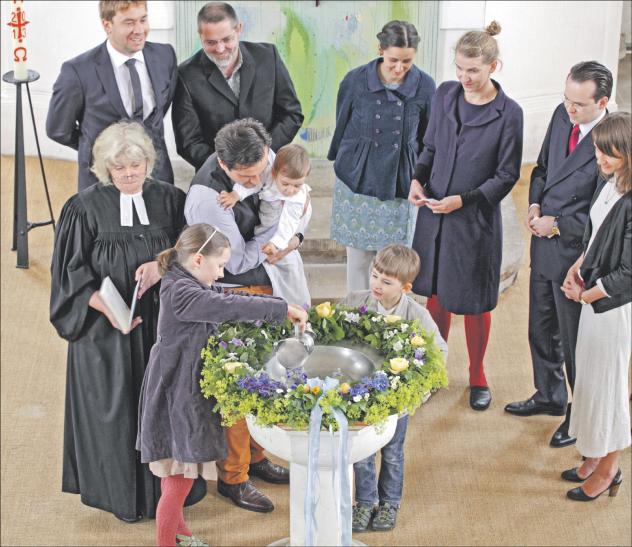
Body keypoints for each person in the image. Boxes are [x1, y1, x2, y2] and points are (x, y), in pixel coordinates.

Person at [49, 121, 206, 522]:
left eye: (135, 165)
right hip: (106, 333)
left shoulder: (171, 200)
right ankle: (123, 498)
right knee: (116, 410)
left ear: (148, 162)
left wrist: (161, 264)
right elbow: (69, 274)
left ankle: (167, 494)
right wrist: (104, 305)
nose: (129, 174)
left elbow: (197, 252)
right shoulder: (83, 208)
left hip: (162, 326)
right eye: (119, 168)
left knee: (165, 405)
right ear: (105, 168)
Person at [136, 223, 308, 546]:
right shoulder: (182, 293)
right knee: (179, 479)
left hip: (178, 386)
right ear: (199, 260)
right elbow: (228, 307)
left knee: (180, 473)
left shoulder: (185, 279)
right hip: (175, 394)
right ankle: (165, 542)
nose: (221, 273)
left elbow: (226, 296)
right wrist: (281, 309)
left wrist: (278, 308)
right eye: (220, 265)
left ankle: (181, 535)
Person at [185, 118, 301, 513]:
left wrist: (291, 229)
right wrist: (277, 233)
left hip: (264, 284)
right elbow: (235, 262)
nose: (256, 181)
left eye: (261, 171)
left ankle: (257, 457)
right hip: (233, 292)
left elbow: (293, 197)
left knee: (267, 375)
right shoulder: (206, 199)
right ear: (224, 164)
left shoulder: (263, 160)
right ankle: (233, 477)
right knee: (237, 386)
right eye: (246, 177)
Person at [409, 22, 523, 411]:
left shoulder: (510, 114)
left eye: (473, 70)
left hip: (474, 219)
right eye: (459, 68)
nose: (464, 78)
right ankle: (434, 369)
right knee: (436, 296)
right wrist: (416, 179)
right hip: (434, 214)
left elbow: (507, 175)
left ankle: (477, 375)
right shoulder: (444, 95)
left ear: (494, 66)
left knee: (474, 301)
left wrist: (465, 200)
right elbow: (429, 145)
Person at [504, 61, 612, 448]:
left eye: (579, 105)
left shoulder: (612, 141)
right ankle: (549, 396)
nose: (569, 109)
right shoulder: (560, 114)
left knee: (572, 340)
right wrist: (533, 207)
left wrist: (559, 224)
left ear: (602, 102)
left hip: (578, 256)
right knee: (540, 327)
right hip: (544, 239)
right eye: (566, 99)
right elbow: (544, 169)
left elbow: (608, 213)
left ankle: (579, 415)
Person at [340, 244, 447, 532]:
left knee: (393, 452)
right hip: (360, 396)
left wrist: (417, 394)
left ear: (406, 286)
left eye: (386, 282)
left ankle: (389, 503)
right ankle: (364, 502)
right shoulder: (354, 301)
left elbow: (439, 352)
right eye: (375, 276)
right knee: (362, 452)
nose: (376, 285)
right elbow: (332, 337)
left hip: (396, 399)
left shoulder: (417, 314)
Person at [328, 20, 436, 291]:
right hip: (358, 177)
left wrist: (423, 177)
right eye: (393, 60)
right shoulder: (355, 80)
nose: (399, 68)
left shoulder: (425, 86)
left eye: (407, 62)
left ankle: (388, 322)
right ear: (380, 50)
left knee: (393, 261)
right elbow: (342, 122)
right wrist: (340, 159)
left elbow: (428, 138)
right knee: (358, 260)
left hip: (401, 180)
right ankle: (356, 317)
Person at [559, 111, 631, 501]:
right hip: (593, 299)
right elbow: (596, 235)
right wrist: (577, 267)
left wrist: (585, 294)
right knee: (587, 380)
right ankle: (593, 452)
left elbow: (628, 274)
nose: (601, 160)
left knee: (609, 387)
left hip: (614, 309)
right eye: (599, 151)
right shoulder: (611, 184)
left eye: (611, 154)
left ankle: (609, 468)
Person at [46, 0, 177, 191]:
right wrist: (100, 150)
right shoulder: (77, 71)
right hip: (103, 180)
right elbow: (57, 129)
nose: (139, 30)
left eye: (143, 19)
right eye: (129, 23)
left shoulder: (165, 55)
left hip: (158, 175)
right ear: (107, 25)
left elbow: (161, 107)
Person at [172, 1, 303, 171]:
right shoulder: (186, 75)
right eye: (211, 42)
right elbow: (188, 142)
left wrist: (263, 155)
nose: (220, 49)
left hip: (268, 168)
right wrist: (228, 168)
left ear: (239, 29)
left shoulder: (268, 57)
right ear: (200, 35)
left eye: (227, 39)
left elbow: (291, 114)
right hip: (217, 175)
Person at [218, 143, 312, 308]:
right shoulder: (268, 173)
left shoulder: (297, 198)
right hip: (264, 224)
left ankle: (299, 307)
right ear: (275, 173)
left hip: (280, 231)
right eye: (286, 184)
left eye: (297, 185)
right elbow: (253, 184)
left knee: (288, 270)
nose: (290, 190)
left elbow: (288, 224)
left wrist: (277, 243)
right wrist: (235, 195)